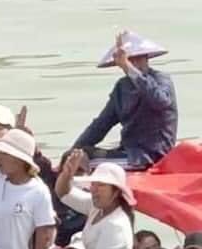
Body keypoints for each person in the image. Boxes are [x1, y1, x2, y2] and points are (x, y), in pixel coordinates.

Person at [73, 30, 177, 170]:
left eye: (137, 58)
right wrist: (75, 149)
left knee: (82, 161)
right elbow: (101, 125)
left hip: (151, 155)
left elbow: (160, 101)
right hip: (128, 152)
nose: (133, 63)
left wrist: (129, 68)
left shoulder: (161, 79)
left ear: (146, 57)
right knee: (79, 155)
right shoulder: (122, 88)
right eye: (130, 59)